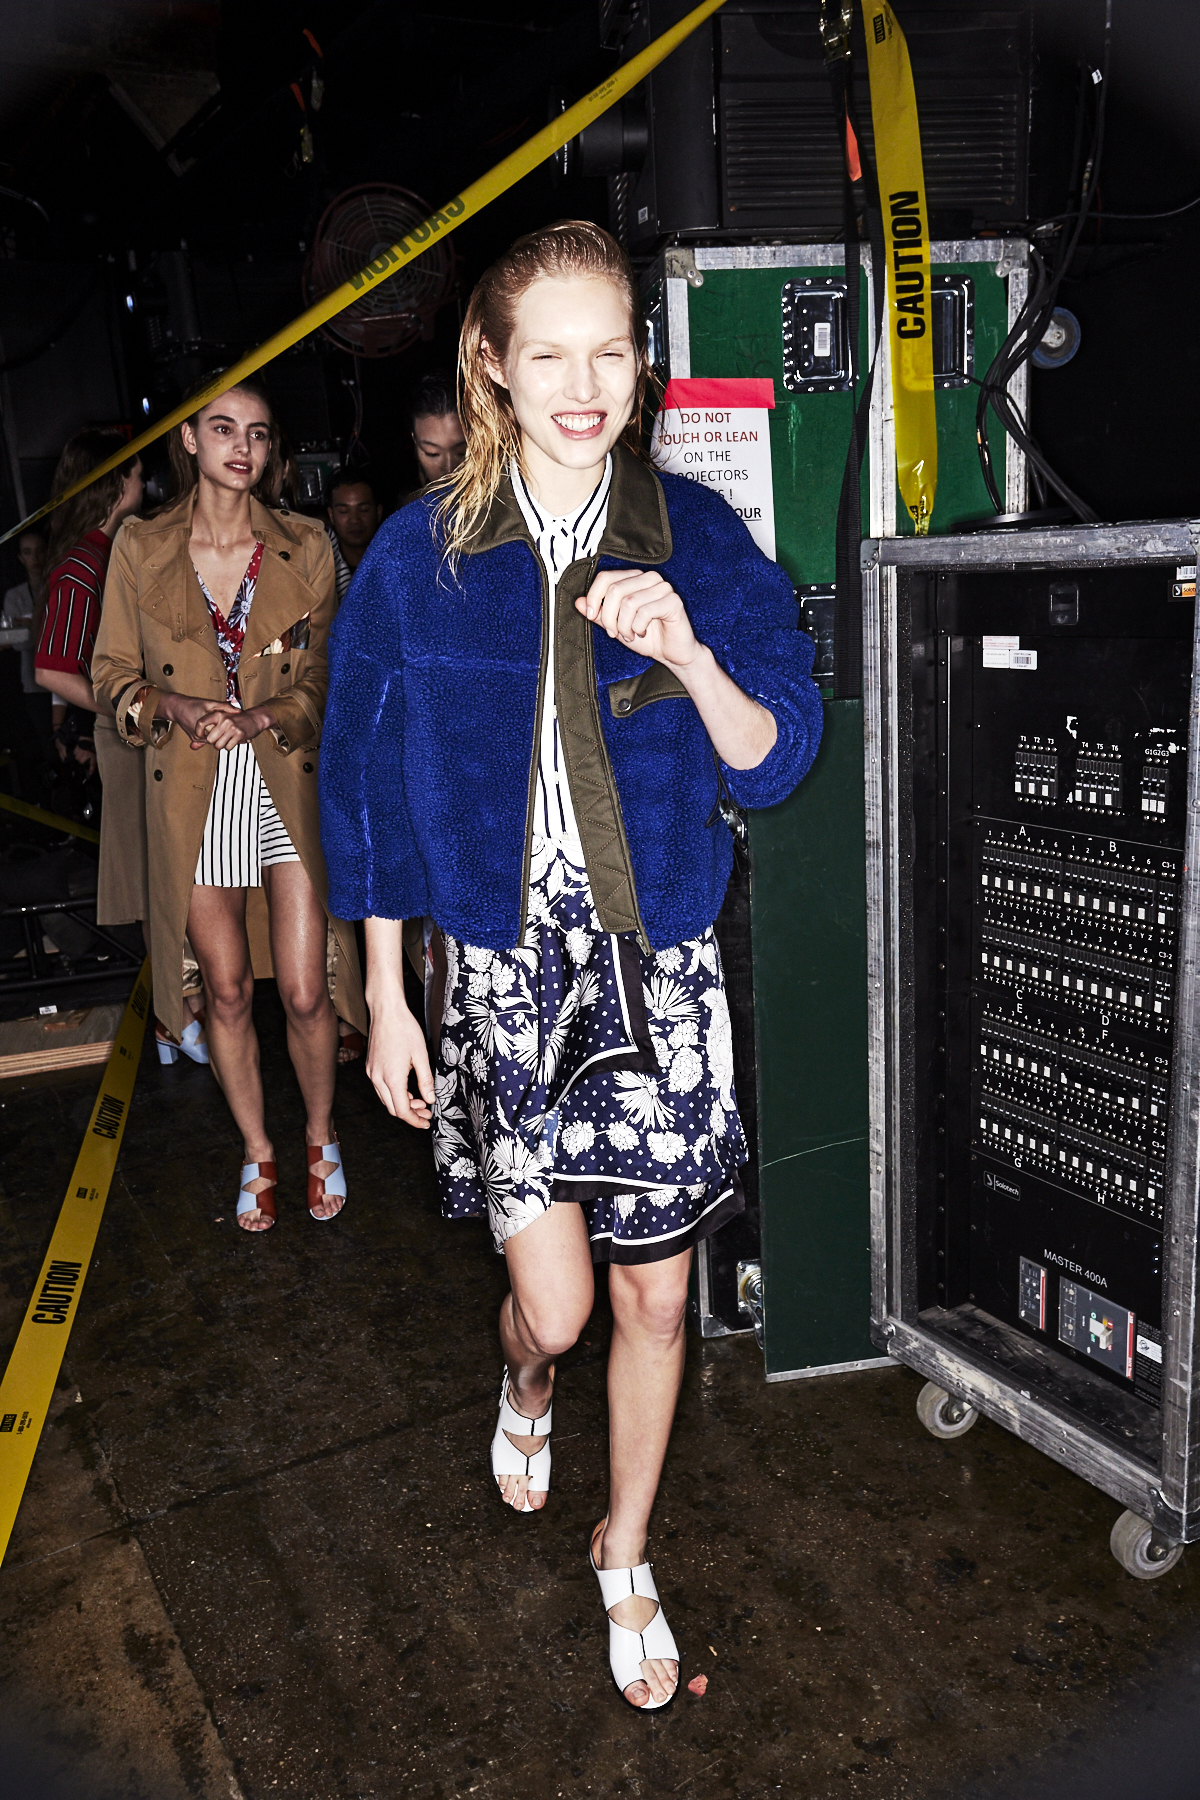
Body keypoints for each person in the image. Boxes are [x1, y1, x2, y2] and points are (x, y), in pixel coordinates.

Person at [319, 222, 821, 1710]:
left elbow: (779, 758)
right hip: (498, 970)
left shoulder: (695, 540)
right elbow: (361, 779)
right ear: (492, 366)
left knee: (658, 1303)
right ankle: (525, 1380)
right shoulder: (423, 556)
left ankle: (625, 1549)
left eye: (611, 350)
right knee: (561, 1307)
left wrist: (695, 659)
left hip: (654, 965)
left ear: (638, 362)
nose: (585, 383)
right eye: (551, 353)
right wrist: (388, 992)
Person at [92, 373, 368, 1232]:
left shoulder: (308, 545)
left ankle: (321, 1136)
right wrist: (173, 707)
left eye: (256, 432)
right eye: (222, 429)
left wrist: (267, 714)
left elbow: (327, 674)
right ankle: (258, 1149)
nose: (242, 447)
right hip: (194, 787)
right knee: (224, 992)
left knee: (303, 988)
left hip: (281, 774)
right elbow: (109, 676)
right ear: (189, 441)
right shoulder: (141, 547)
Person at [33, 430, 148, 887]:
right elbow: (51, 672)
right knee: (147, 877)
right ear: (117, 485)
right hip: (126, 737)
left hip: (135, 732)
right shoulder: (82, 566)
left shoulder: (110, 554)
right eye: (138, 477)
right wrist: (133, 710)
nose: (144, 487)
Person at [0, 527, 52, 783]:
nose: (35, 558)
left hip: (67, 674)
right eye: (28, 553)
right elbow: (17, 642)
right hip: (35, 683)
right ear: (20, 558)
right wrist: (42, 625)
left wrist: (31, 626)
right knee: (47, 744)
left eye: (39, 551)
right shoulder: (15, 596)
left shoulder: (59, 584)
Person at [402, 369, 465, 502]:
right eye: (432, 453)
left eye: (461, 452)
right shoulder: (406, 516)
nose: (449, 469)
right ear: (415, 440)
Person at [325, 471, 382, 602]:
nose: (354, 520)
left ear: (378, 512)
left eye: (364, 510)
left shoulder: (395, 564)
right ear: (331, 515)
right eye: (344, 511)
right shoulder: (323, 570)